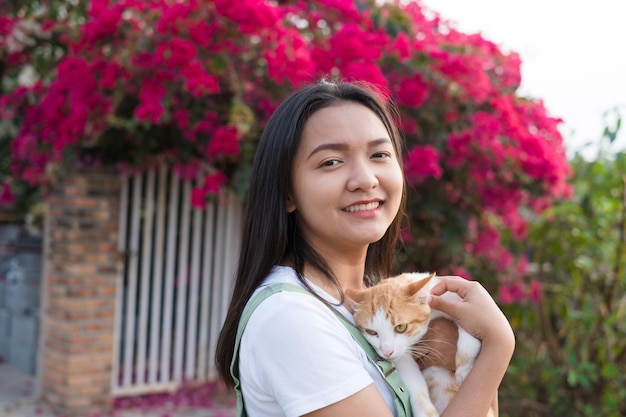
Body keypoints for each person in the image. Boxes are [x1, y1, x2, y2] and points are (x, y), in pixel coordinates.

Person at [215, 80, 515, 417]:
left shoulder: (371, 302)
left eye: (379, 155)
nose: (365, 179)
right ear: (287, 193)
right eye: (330, 162)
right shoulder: (291, 315)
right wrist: (497, 345)